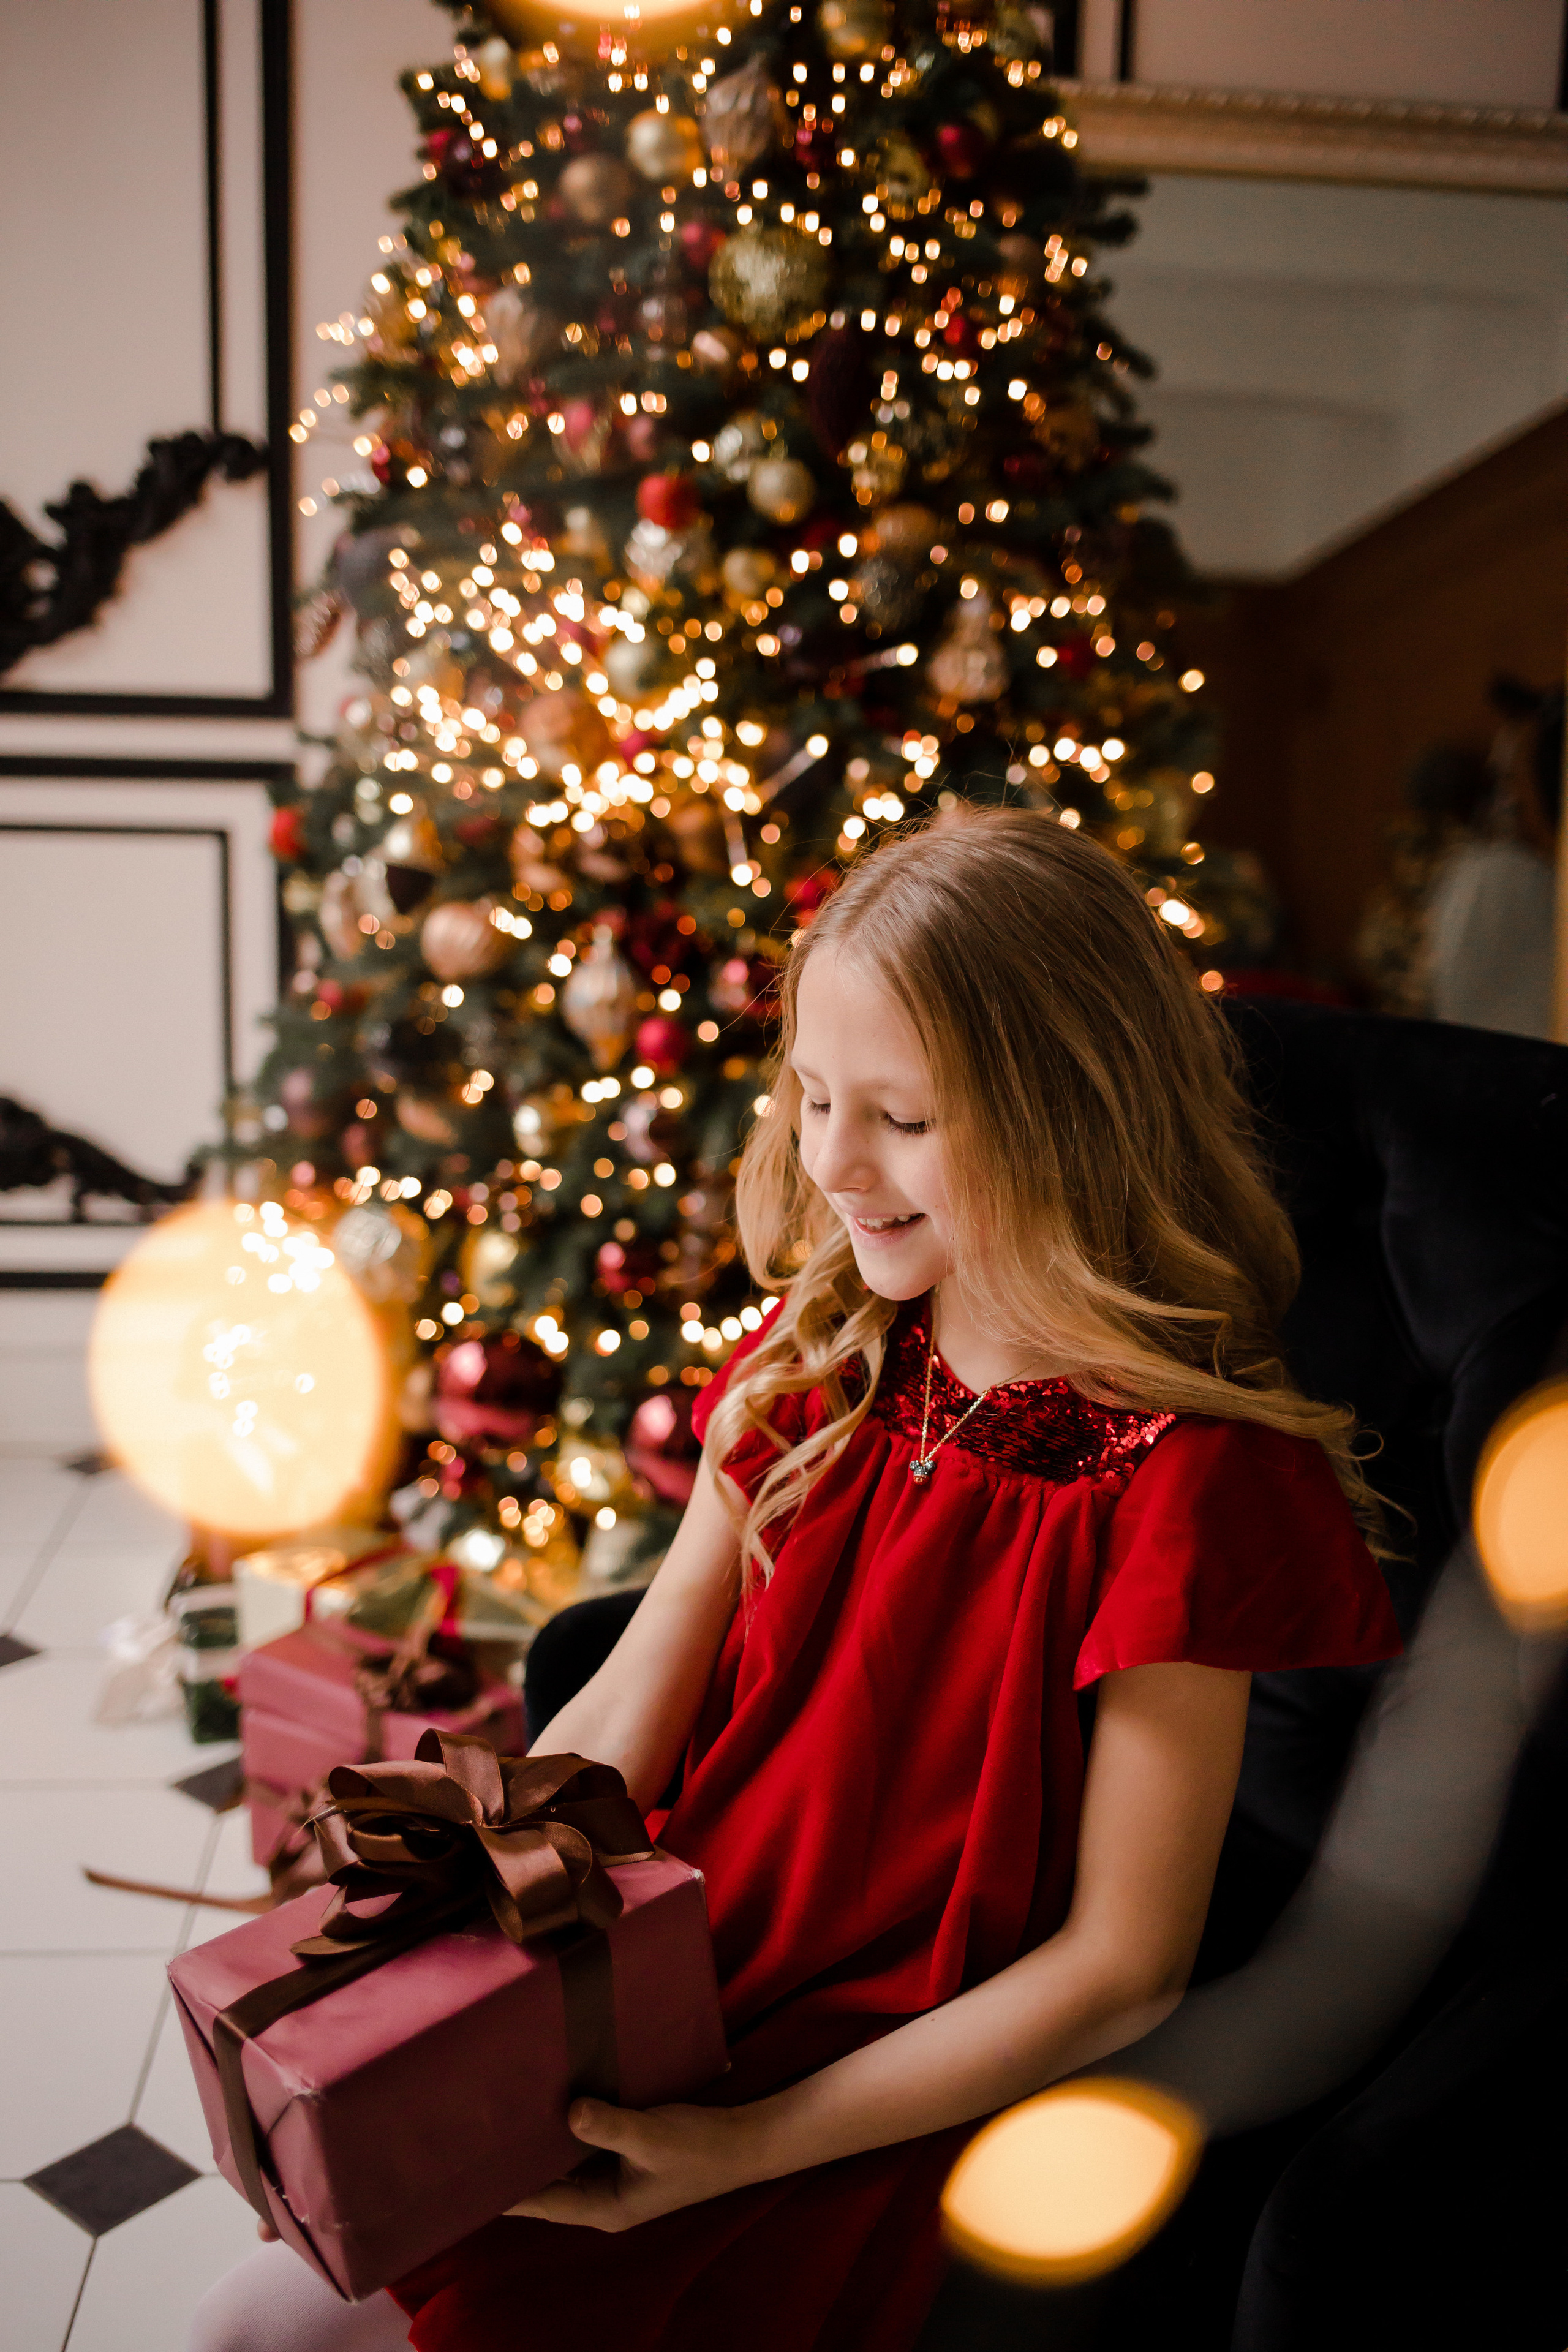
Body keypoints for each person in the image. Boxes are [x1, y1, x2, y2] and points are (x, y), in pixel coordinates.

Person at [190, 808, 1400, 2352]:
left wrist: (741, 2147)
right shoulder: (819, 1361)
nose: (829, 1161)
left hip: (867, 2082)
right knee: (258, 2312)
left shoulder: (1186, 1479)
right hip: (664, 1976)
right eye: (815, 1095)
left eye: (896, 1115)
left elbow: (1116, 1967)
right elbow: (639, 1688)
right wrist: (450, 1936)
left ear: (1068, 1118)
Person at [1425, 684, 1562, 1041]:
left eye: (1510, 779)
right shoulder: (1498, 876)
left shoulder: (1494, 875)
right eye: (1500, 782)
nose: (1507, 801)